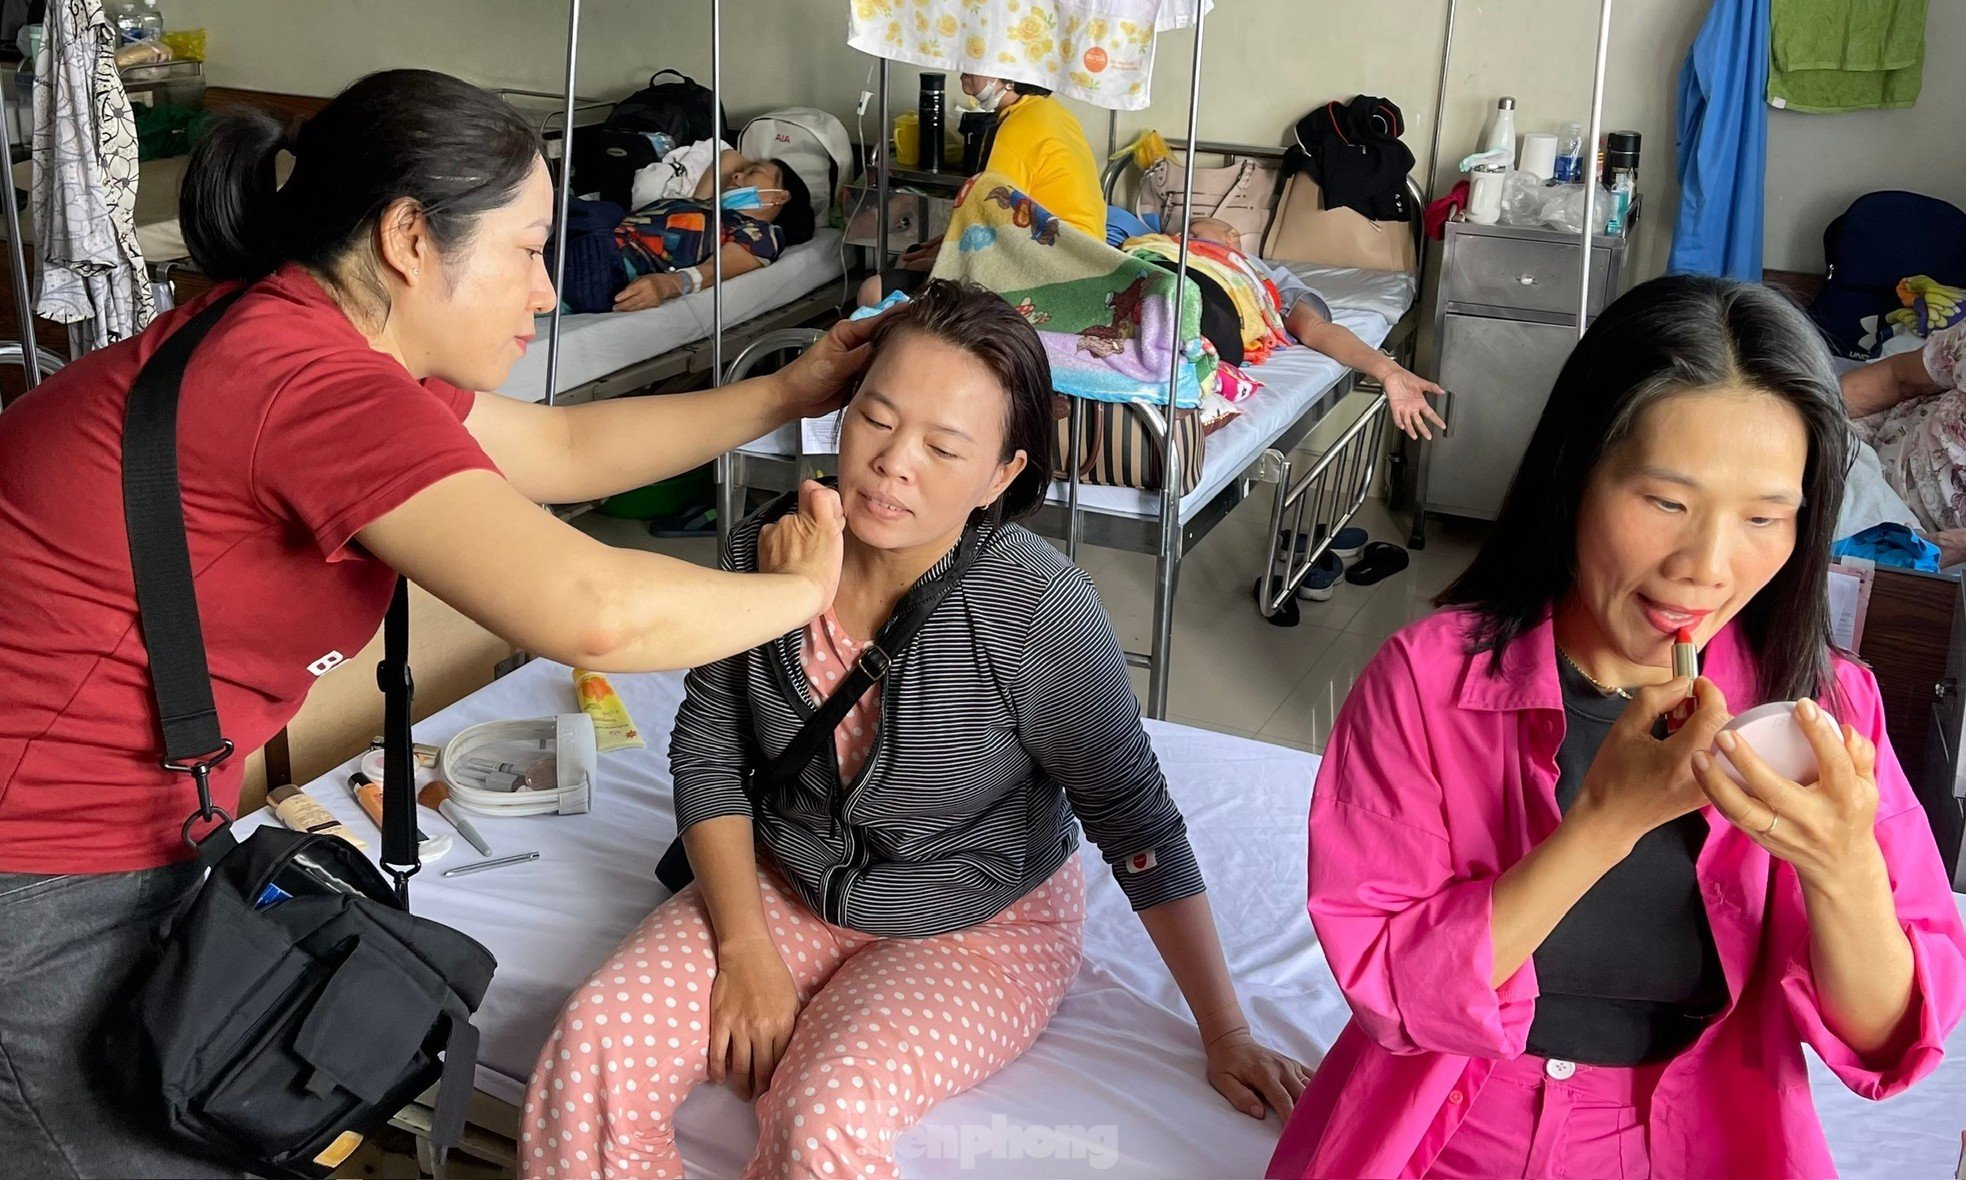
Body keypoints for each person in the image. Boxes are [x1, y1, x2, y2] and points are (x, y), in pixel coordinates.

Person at [0, 70, 874, 1178]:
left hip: (122, 827)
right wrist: (807, 596)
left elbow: (559, 454)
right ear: (411, 237)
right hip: (36, 861)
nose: (549, 290)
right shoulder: (304, 384)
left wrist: (784, 391)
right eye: (525, 248)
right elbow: (591, 612)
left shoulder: (321, 343)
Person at [523, 281, 1306, 1179]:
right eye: (876, 420)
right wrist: (744, 948)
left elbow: (1137, 826)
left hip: (974, 928)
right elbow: (710, 751)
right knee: (594, 1041)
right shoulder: (770, 550)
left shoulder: (1036, 611)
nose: (894, 464)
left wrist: (1229, 1032)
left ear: (1001, 476)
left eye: (943, 447)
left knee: (822, 1117)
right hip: (784, 885)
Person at [1268, 275, 1966, 1179]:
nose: (1706, 568)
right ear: (1575, 474)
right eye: (1666, 504)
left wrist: (1842, 867)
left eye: (1763, 517)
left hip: (1705, 1134)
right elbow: (1396, 995)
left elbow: (1884, 1043)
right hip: (1447, 1127)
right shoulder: (1429, 681)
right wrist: (1605, 822)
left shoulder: (1823, 713)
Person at [1185, 215, 1447, 441]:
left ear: (1232, 236)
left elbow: (1314, 329)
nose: (1179, 236)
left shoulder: (1265, 278)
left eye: (1193, 231)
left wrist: (1388, 371)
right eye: (1175, 233)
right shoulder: (1163, 248)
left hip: (1213, 303)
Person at [855, 76, 1102, 307]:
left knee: (873, 291)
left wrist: (940, 260)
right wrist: (944, 244)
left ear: (1008, 73)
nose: (965, 65)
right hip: (1080, 260)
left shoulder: (1019, 127)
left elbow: (995, 229)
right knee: (909, 259)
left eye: (977, 54)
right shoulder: (1048, 112)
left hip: (1053, 271)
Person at [612, 151, 818, 312]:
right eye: (740, 171)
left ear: (781, 197)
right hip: (600, 227)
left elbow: (711, 271)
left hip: (609, 258)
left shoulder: (760, 233)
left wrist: (665, 285)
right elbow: (729, 158)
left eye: (752, 172)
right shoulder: (703, 206)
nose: (736, 174)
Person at [1838, 321, 1966, 566]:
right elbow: (1898, 378)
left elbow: (1939, 550)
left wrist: (1947, 548)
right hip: (1868, 444)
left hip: (1927, 545)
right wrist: (1805, 407)